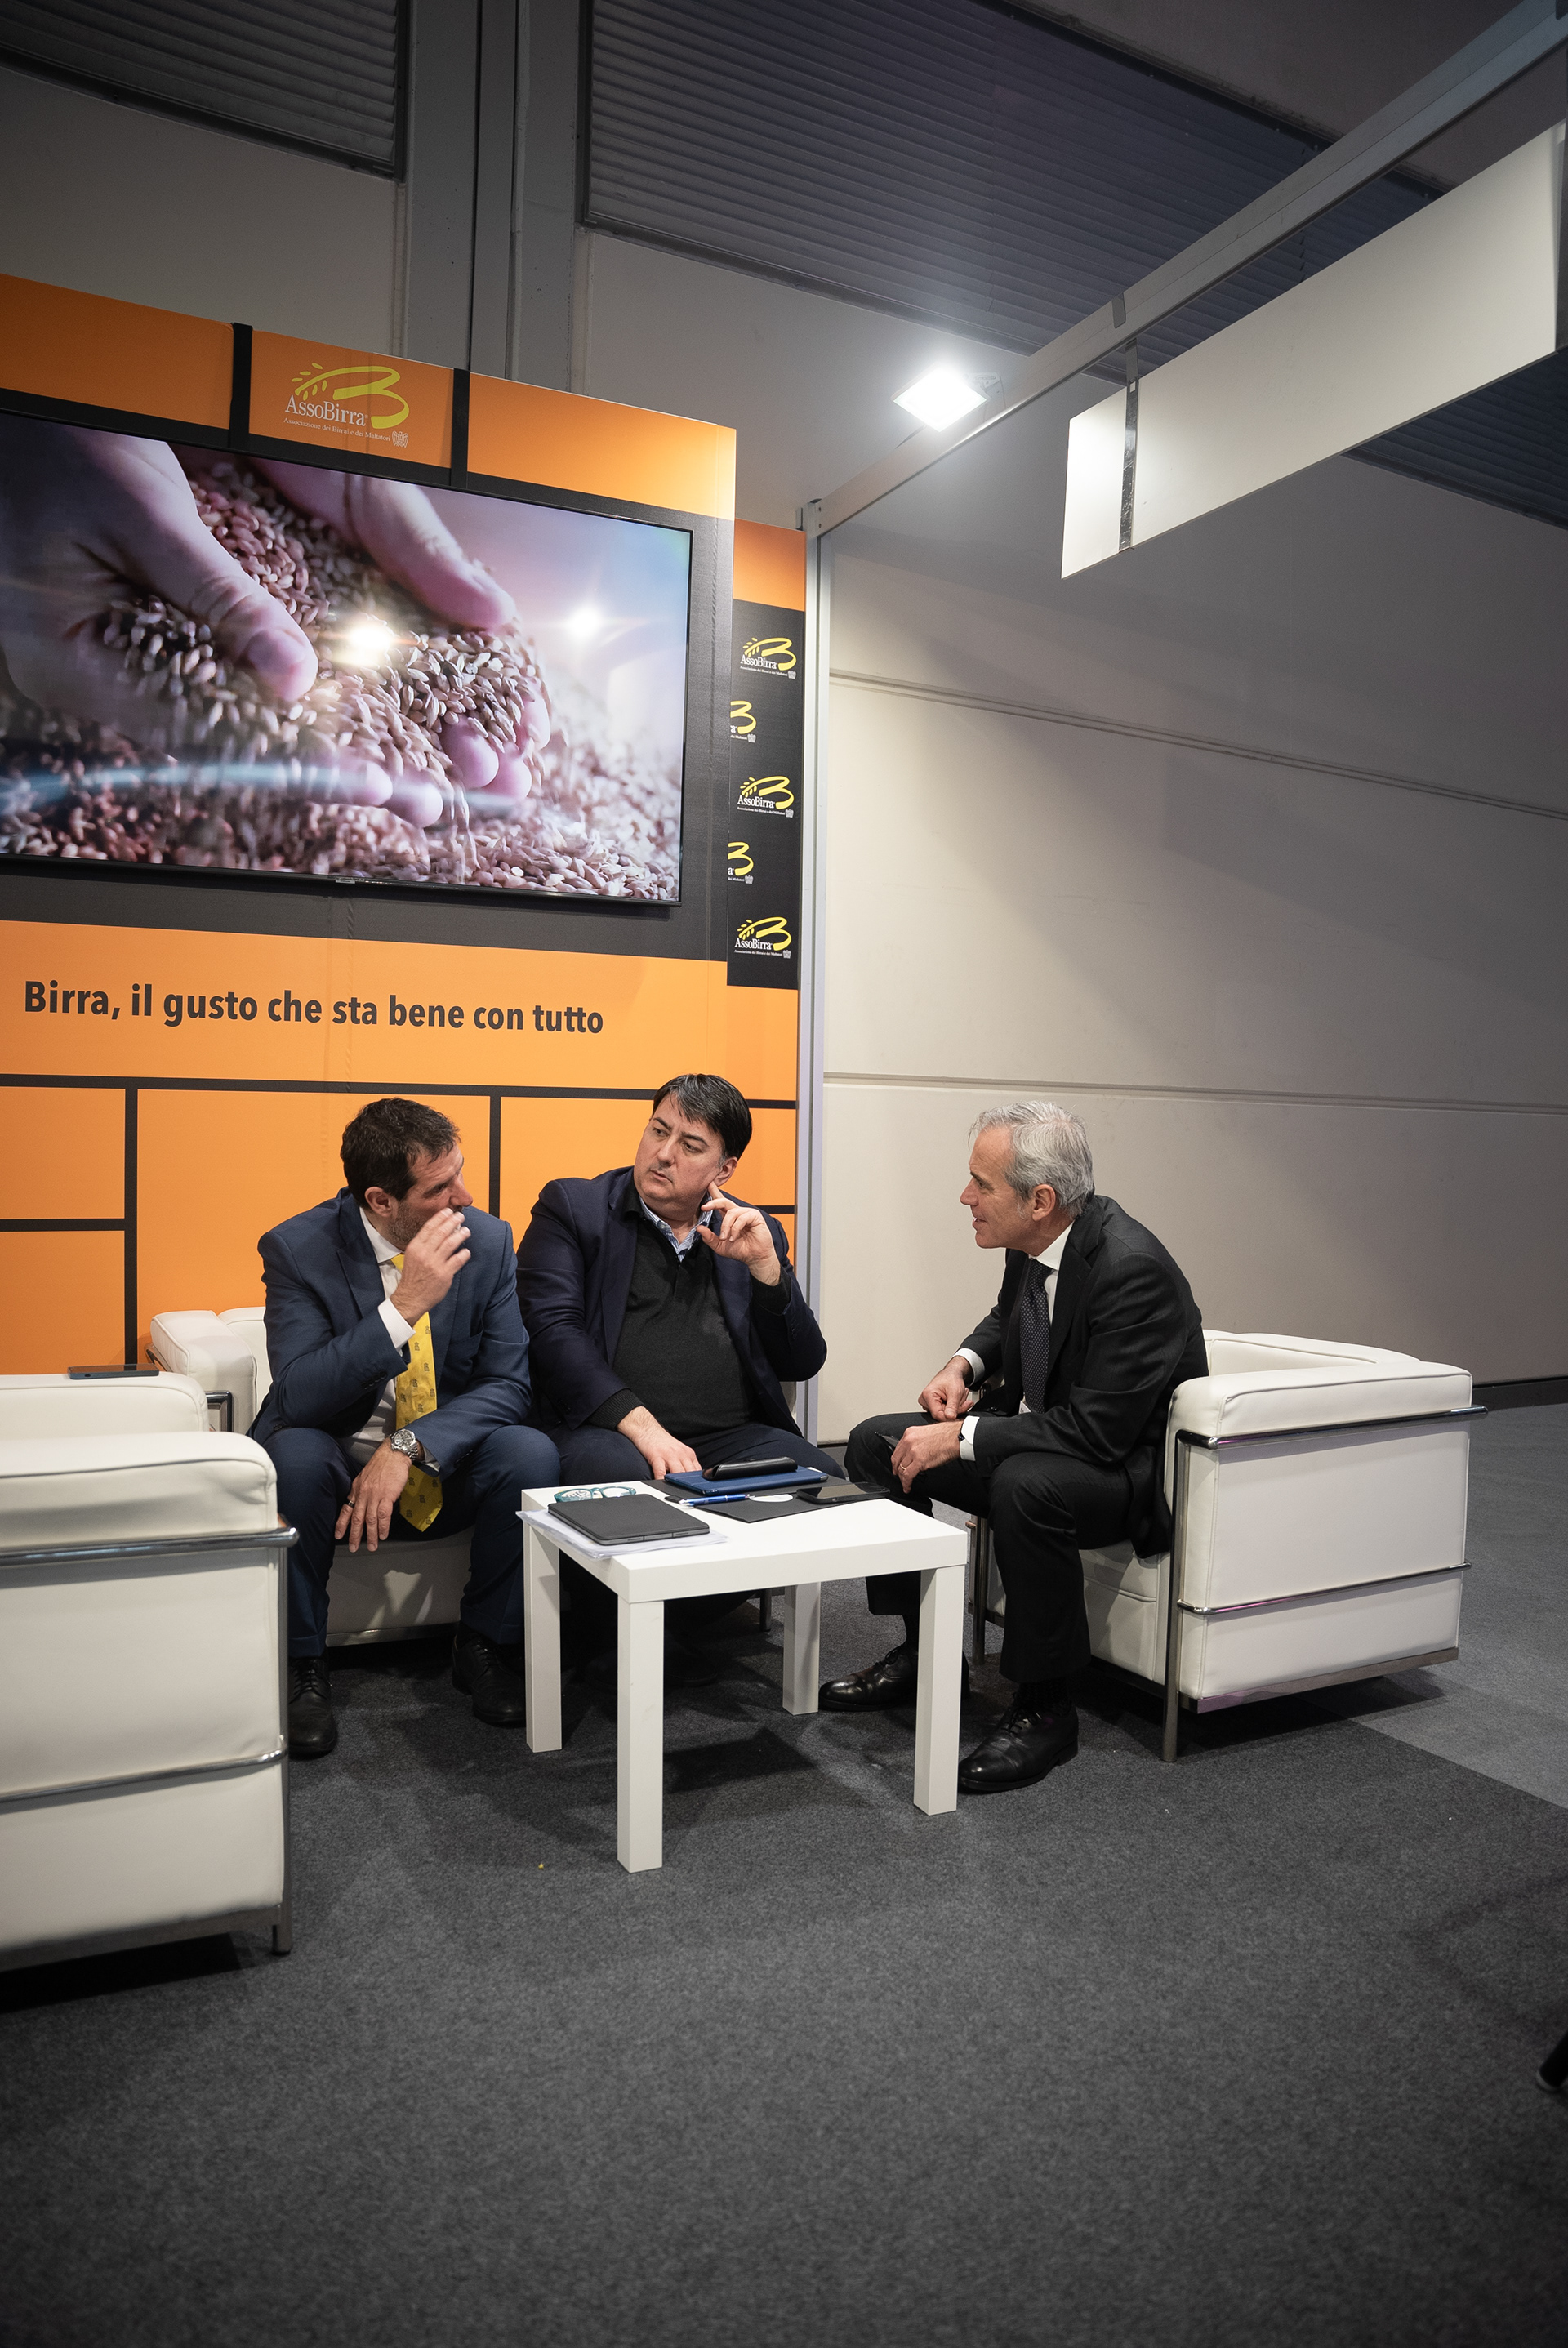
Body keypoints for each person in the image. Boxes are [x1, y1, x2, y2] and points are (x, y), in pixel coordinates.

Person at [823, 1101, 1206, 1796]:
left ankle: (1047, 1708)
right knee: (879, 1443)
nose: (965, 1198)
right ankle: (925, 1654)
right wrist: (963, 1365)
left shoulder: (1132, 1270)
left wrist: (962, 1435)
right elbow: (1012, 1316)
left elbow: (1098, 1432)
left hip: (1121, 1473)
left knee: (1024, 1485)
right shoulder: (1037, 1241)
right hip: (1054, 1445)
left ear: (1040, 1199)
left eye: (981, 1184)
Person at [254, 1098, 560, 1757]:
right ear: (380, 1200)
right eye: (440, 1187)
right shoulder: (299, 1249)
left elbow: (510, 1384)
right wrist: (402, 1308)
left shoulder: (487, 1240)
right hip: (337, 1463)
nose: (464, 1196)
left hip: (437, 1461)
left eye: (460, 1173)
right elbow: (299, 1393)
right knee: (295, 1456)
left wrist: (407, 1446)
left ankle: (483, 1643)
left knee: (529, 1452)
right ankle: (301, 1664)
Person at [515, 1073, 837, 1681]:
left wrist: (768, 1271)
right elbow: (553, 1333)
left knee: (825, 1484)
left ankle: (667, 1623)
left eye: (690, 1145)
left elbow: (803, 1361)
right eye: (658, 1131)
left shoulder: (749, 1229)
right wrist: (642, 1426)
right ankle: (607, 1633)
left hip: (727, 1437)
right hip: (607, 1430)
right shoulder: (574, 1208)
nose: (663, 1153)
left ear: (725, 1168)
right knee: (619, 1481)